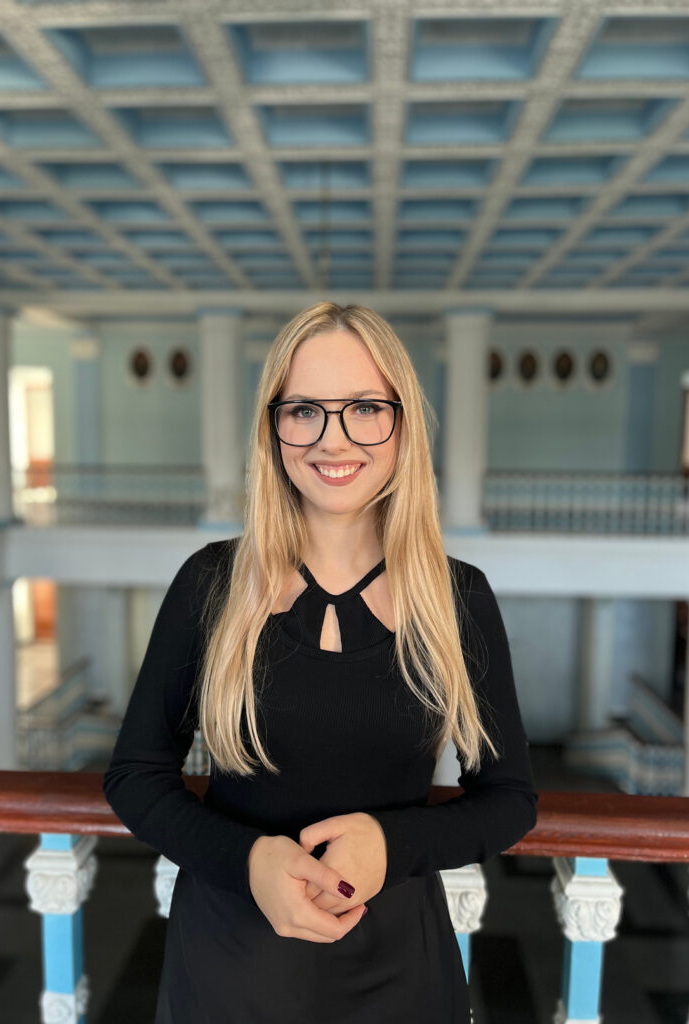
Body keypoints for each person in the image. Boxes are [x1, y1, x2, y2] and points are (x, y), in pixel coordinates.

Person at [103, 301, 538, 1023]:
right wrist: (250, 862)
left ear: (403, 424)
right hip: (229, 970)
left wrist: (391, 845)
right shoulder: (212, 584)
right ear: (273, 426)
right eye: (305, 410)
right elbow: (136, 777)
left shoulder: (457, 597)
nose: (333, 439)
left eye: (365, 408)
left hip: (402, 979)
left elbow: (510, 798)